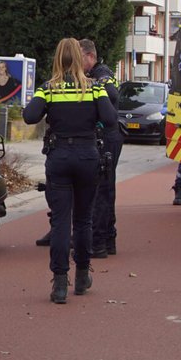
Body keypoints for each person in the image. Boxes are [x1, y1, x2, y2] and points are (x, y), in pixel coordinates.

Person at [24, 38, 117, 304]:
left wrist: (44, 98)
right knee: (84, 220)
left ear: (57, 59)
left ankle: (59, 284)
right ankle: (82, 276)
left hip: (59, 157)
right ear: (79, 58)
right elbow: (110, 120)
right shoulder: (94, 87)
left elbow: (30, 116)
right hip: (88, 156)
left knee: (61, 221)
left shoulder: (48, 88)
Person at [81, 39, 123, 256]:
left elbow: (113, 95)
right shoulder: (96, 73)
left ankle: (99, 242)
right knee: (106, 189)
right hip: (108, 136)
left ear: (90, 56)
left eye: (81, 59)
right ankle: (107, 239)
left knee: (101, 190)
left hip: (107, 137)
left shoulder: (101, 73)